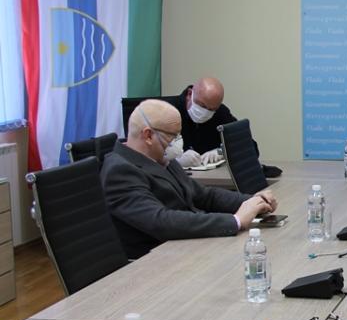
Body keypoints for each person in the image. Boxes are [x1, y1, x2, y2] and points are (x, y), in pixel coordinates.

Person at [101, 99, 278, 260]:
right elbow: (161, 221)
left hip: (186, 247)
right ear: (148, 136)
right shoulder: (120, 171)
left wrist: (252, 202)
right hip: (156, 261)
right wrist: (236, 221)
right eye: (173, 136)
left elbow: (204, 195)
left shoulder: (162, 158)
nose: (179, 143)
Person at [167, 76, 245, 168]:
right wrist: (175, 162)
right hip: (173, 175)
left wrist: (222, 152)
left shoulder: (220, 112)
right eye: (202, 106)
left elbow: (249, 146)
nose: (205, 113)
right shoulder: (165, 111)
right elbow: (151, 158)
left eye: (211, 110)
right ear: (189, 94)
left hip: (210, 174)